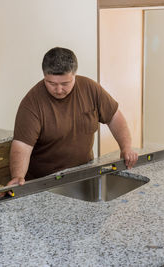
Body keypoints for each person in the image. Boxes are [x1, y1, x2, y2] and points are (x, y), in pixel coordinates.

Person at [8, 47, 138, 186]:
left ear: (74, 75)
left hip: (84, 174)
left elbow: (114, 117)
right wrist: (18, 176)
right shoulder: (32, 103)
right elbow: (21, 145)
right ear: (44, 76)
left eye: (65, 83)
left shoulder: (90, 88)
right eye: (51, 83)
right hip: (45, 181)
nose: (58, 90)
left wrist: (126, 147)